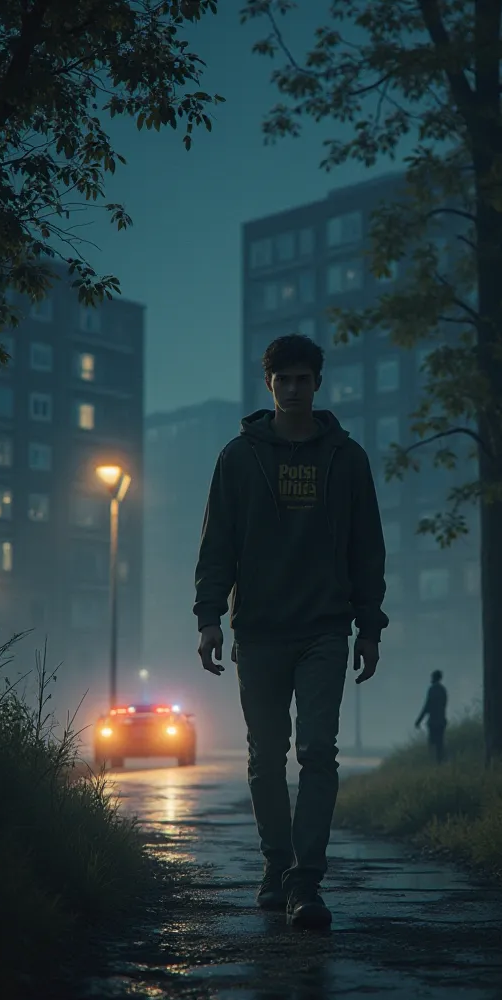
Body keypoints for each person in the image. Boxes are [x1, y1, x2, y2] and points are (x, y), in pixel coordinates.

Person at [193, 333, 388, 930]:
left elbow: (367, 549)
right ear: (270, 384)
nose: (295, 388)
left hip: (325, 629)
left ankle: (307, 882)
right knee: (265, 757)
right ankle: (276, 867)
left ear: (317, 384)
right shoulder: (238, 457)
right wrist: (207, 618)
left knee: (317, 753)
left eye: (305, 378)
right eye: (286, 379)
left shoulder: (347, 458)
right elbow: (217, 543)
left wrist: (370, 627)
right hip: (259, 630)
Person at [415, 670, 448, 762]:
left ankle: (433, 762)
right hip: (441, 721)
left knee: (432, 744)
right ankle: (440, 762)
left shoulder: (432, 689)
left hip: (433, 721)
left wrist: (419, 720)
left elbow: (427, 706)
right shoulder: (443, 690)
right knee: (440, 743)